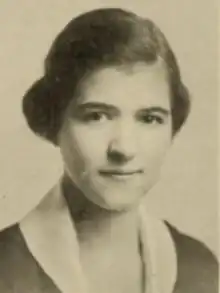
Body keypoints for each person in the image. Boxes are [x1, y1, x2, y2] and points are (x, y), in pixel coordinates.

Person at [0, 7, 218, 293]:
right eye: (96, 116)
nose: (124, 148)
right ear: (54, 122)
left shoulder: (200, 268)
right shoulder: (7, 269)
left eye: (149, 118)